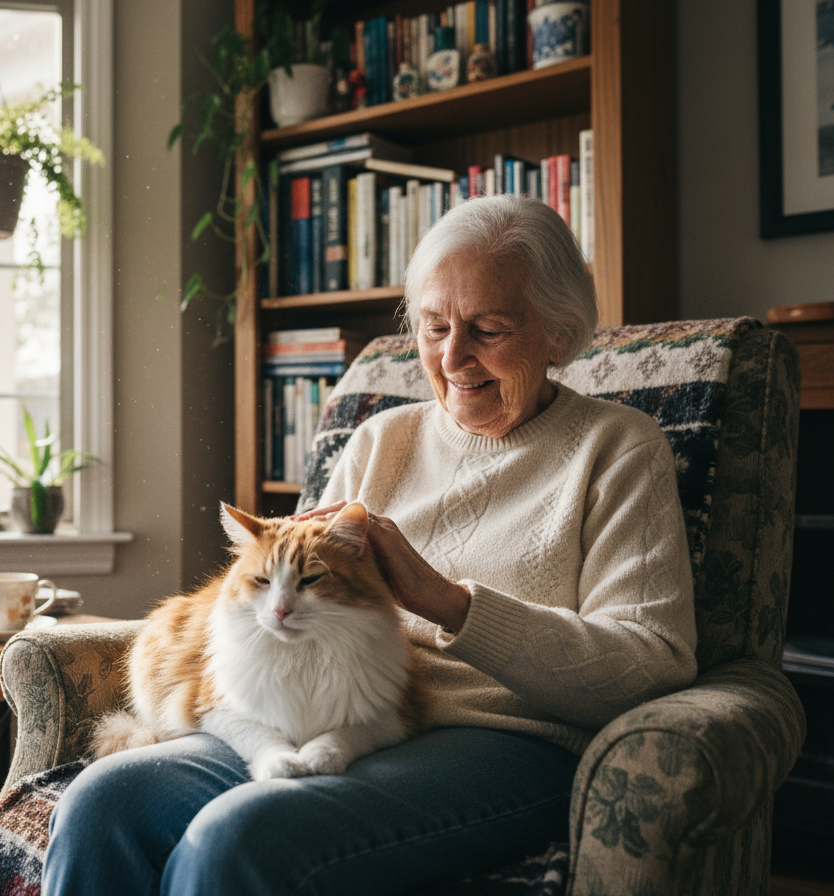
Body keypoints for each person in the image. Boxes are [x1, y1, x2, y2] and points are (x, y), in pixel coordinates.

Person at [41, 194, 698, 896]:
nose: (452, 357)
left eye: (488, 328)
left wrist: (451, 605)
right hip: (327, 715)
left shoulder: (619, 449)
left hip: (506, 742)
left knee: (239, 839)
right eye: (434, 326)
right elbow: (279, 590)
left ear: (559, 333)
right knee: (101, 802)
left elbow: (652, 665)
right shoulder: (381, 441)